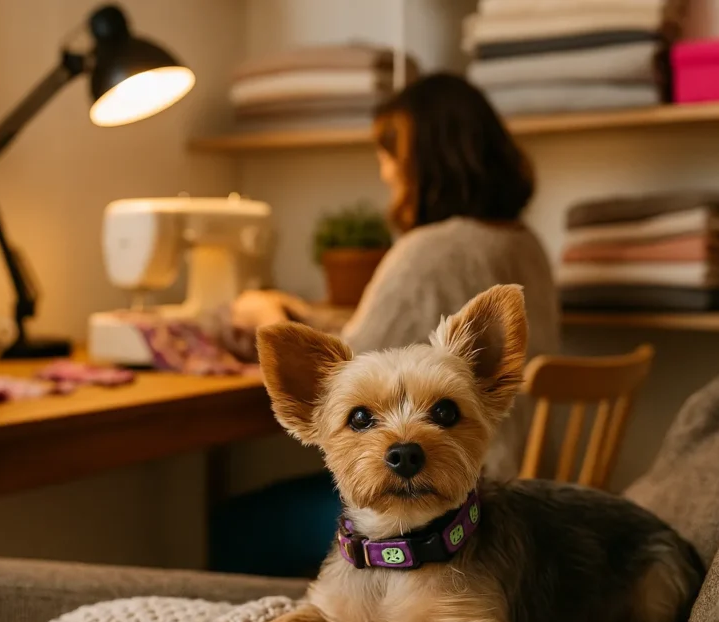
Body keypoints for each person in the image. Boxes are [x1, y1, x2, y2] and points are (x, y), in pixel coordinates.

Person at [210, 73, 559, 576]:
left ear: (423, 162)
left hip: (452, 498)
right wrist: (301, 312)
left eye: (389, 154)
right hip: (526, 492)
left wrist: (264, 316)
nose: (385, 170)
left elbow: (350, 383)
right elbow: (395, 341)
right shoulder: (525, 245)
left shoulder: (430, 249)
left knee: (236, 524)